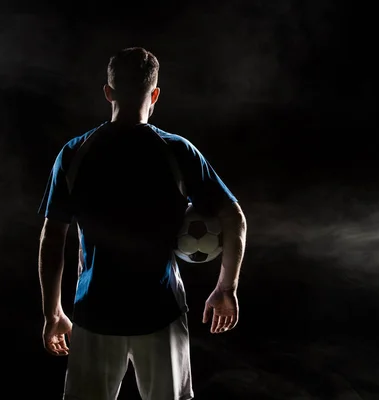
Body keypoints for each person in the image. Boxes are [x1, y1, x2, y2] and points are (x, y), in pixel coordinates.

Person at [37, 47, 247, 400]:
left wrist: (52, 311)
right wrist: (227, 288)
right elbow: (234, 216)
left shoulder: (75, 153)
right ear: (155, 94)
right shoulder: (177, 151)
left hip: (95, 311)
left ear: (108, 91)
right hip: (160, 311)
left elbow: (52, 237)